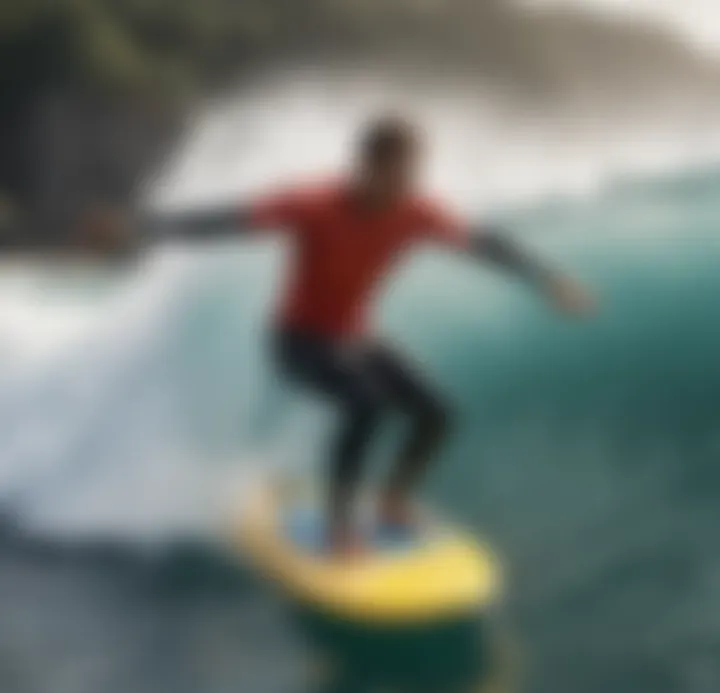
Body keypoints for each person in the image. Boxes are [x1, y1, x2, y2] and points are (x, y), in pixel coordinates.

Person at [84, 115, 594, 556]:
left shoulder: (416, 210)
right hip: (298, 342)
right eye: (400, 171)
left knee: (439, 413)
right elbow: (226, 223)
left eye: (415, 171)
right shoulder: (314, 203)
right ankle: (339, 524)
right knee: (366, 406)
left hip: (356, 338)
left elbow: (483, 243)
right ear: (367, 166)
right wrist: (140, 226)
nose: (410, 182)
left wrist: (546, 277)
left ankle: (393, 501)